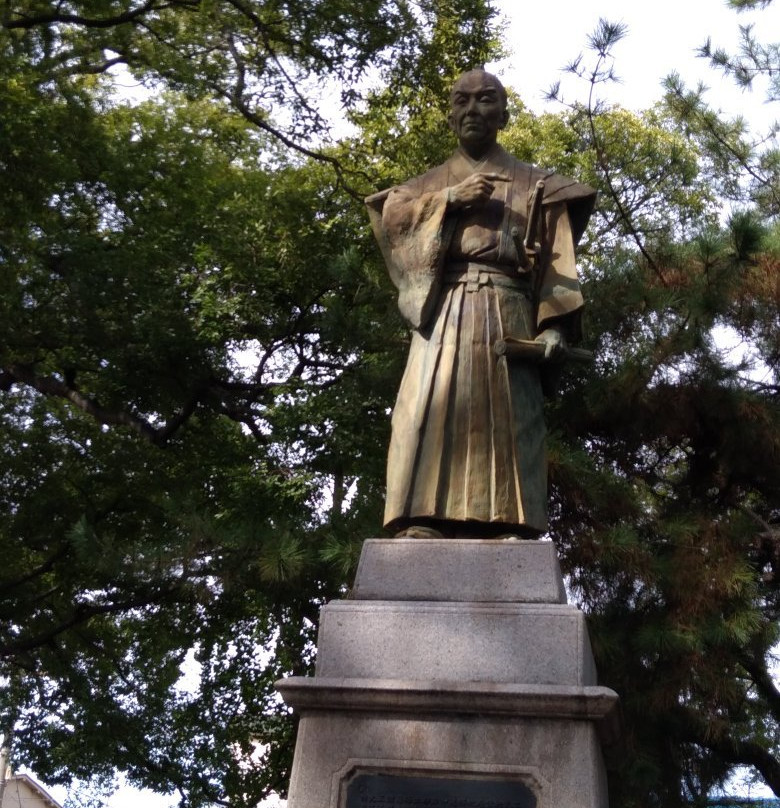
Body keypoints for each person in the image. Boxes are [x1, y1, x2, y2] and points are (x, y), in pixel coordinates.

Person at [366, 69, 595, 539]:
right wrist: (449, 199)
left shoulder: (539, 185)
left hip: (508, 312)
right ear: (450, 116)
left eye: (486, 100)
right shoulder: (422, 187)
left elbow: (558, 264)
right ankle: (421, 517)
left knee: (512, 418)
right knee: (425, 408)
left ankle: (511, 521)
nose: (473, 109)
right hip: (443, 311)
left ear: (504, 114)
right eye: (461, 101)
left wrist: (555, 326)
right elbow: (393, 221)